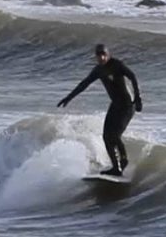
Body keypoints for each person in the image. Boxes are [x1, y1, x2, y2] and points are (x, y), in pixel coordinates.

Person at [57, 44, 142, 176]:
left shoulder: (117, 65)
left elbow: (132, 76)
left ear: (108, 55)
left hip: (127, 105)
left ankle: (123, 160)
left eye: (104, 55)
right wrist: (69, 98)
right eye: (99, 55)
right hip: (115, 105)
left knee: (114, 135)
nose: (102, 58)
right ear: (96, 57)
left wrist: (137, 97)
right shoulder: (98, 70)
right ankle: (116, 167)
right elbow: (83, 84)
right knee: (106, 137)